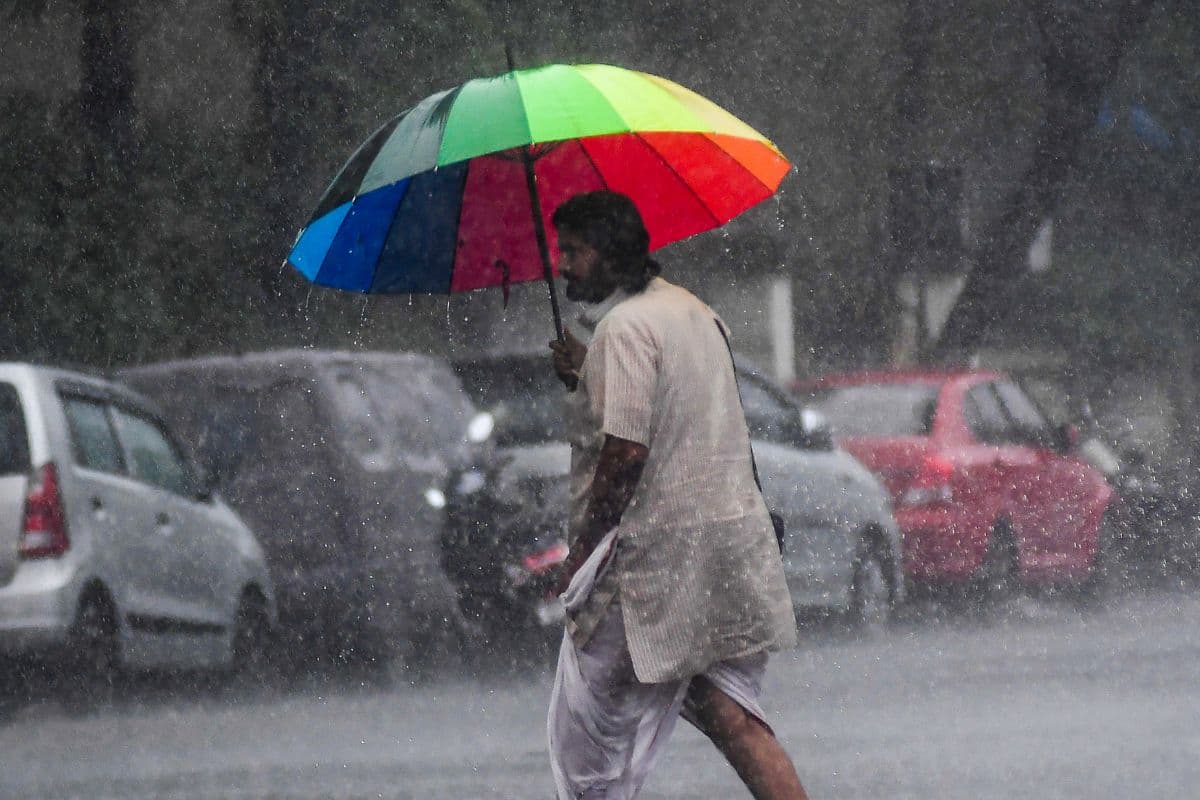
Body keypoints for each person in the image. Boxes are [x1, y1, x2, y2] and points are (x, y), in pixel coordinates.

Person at [545, 190, 808, 800]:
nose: (563, 266)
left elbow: (628, 451)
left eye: (575, 252)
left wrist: (582, 552)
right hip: (725, 549)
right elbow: (682, 410)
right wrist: (589, 372)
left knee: (586, 739)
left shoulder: (623, 328)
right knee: (733, 718)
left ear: (611, 254)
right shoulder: (692, 311)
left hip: (657, 567)